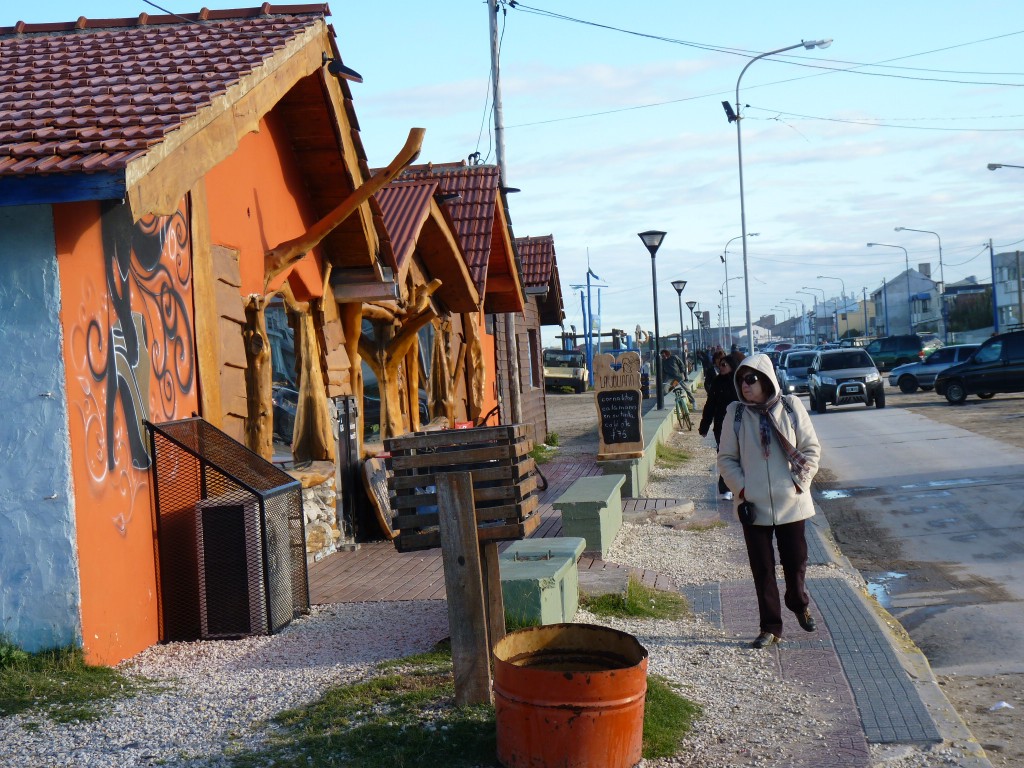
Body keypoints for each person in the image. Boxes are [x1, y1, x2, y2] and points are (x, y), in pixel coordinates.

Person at [717, 353, 821, 649]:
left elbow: (811, 450)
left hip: (791, 501)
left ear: (766, 379)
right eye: (740, 380)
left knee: (796, 561)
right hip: (754, 505)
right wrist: (743, 490)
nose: (745, 385)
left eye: (751, 379)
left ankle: (798, 602)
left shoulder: (790, 407)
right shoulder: (736, 414)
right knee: (762, 568)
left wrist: (799, 483)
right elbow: (726, 458)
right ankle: (770, 627)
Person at [698, 351, 743, 499]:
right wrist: (704, 426)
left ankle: (741, 486)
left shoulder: (740, 382)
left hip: (740, 425)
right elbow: (710, 404)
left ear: (732, 366)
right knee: (725, 456)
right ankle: (725, 489)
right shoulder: (717, 382)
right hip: (721, 425)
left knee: (742, 456)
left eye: (724, 365)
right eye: (720, 365)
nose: (721, 367)